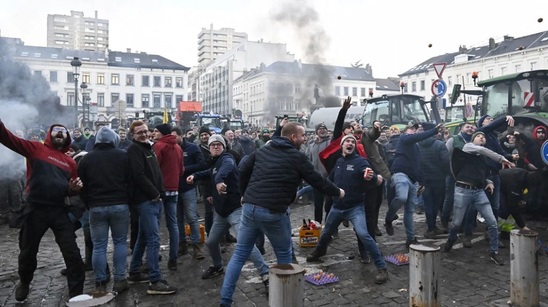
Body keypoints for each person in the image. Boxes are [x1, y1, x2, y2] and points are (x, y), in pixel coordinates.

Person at [219, 122, 344, 307]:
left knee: (239, 255)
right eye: (302, 136)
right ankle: (287, 300)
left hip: (250, 207)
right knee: (284, 255)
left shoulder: (262, 151)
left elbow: (243, 170)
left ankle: (225, 301)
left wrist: (245, 194)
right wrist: (338, 192)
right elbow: (317, 180)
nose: (304, 139)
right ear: (293, 137)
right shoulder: (297, 156)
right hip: (272, 211)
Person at [0, 120, 85, 301]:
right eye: (56, 131)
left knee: (73, 254)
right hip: (35, 209)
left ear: (67, 136)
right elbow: (7, 138)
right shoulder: (35, 149)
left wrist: (74, 189)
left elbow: (71, 188)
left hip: (58, 210)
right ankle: (25, 281)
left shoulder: (70, 162)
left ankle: (76, 295)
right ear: (49, 134)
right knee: (28, 252)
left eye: (63, 131)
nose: (60, 133)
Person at [187, 135, 269, 291]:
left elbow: (225, 169)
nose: (216, 147)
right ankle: (217, 266)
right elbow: (210, 172)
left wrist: (219, 181)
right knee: (211, 242)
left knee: (244, 244)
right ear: (209, 148)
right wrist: (195, 176)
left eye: (219, 144)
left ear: (224, 147)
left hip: (235, 210)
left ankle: (265, 274)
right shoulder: (215, 162)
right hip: (221, 213)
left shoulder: (227, 158)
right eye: (213, 145)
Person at [306, 134, 388, 284]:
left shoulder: (360, 162)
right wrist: (306, 190)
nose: (350, 143)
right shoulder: (338, 162)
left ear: (354, 146)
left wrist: (372, 177)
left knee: (364, 235)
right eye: (347, 141)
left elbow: (370, 175)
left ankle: (381, 267)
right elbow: (328, 181)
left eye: (352, 142)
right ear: (342, 146)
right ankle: (320, 251)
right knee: (326, 233)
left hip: (355, 207)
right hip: (337, 207)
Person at [443, 131, 514, 265]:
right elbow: (481, 149)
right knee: (457, 223)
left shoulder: (482, 158)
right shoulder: (467, 147)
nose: (482, 137)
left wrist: (489, 182)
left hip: (478, 191)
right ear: (472, 139)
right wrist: (501, 158)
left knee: (492, 222)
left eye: (484, 136)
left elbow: (482, 174)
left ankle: (494, 252)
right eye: (478, 136)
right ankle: (451, 240)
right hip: (463, 190)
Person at [126, 120, 177, 295]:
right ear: (133, 135)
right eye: (139, 132)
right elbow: (138, 175)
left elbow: (154, 172)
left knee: (142, 237)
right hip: (146, 200)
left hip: (154, 199)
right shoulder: (134, 149)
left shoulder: (148, 148)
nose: (143, 134)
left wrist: (159, 193)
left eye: (145, 131)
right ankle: (155, 280)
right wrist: (155, 193)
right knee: (154, 239)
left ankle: (134, 271)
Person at [78, 126, 130, 294]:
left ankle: (100, 282)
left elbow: (81, 186)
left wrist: (89, 203)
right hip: (120, 204)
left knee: (99, 246)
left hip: (96, 206)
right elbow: (131, 181)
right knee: (120, 242)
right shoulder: (123, 156)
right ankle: (120, 279)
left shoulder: (87, 159)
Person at [384, 122, 445, 247]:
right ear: (406, 131)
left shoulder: (416, 147)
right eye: (412, 128)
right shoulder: (404, 138)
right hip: (401, 173)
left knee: (409, 211)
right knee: (401, 197)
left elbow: (419, 165)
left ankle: (411, 238)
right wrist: (434, 131)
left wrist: (421, 182)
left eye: (416, 129)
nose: (415, 130)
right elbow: (416, 137)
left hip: (413, 179)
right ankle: (389, 217)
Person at [171, 127, 207, 256]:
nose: (173, 139)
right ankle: (182, 244)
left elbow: (202, 164)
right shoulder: (171, 148)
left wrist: (185, 169)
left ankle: (196, 245)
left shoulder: (192, 148)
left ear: (182, 136)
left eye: (175, 136)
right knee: (178, 218)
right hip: (174, 188)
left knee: (191, 217)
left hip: (188, 187)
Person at [152, 123, 183, 270]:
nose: (153, 133)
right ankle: (173, 258)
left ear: (163, 133)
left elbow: (154, 168)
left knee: (155, 225)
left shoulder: (159, 146)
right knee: (173, 224)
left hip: (160, 190)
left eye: (156, 131)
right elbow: (181, 169)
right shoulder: (177, 147)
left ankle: (154, 256)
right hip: (174, 189)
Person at [417, 127, 450, 238]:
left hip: (423, 180)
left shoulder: (417, 146)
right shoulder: (439, 145)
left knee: (428, 205)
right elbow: (446, 162)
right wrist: (445, 173)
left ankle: (431, 228)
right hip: (438, 179)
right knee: (435, 204)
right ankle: (433, 227)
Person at [306, 123, 331, 223]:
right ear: (316, 131)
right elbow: (308, 160)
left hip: (328, 179)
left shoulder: (330, 143)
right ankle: (318, 224)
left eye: (324, 129)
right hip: (317, 179)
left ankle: (331, 227)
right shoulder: (312, 145)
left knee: (329, 204)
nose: (322, 130)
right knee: (318, 205)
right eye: (320, 129)